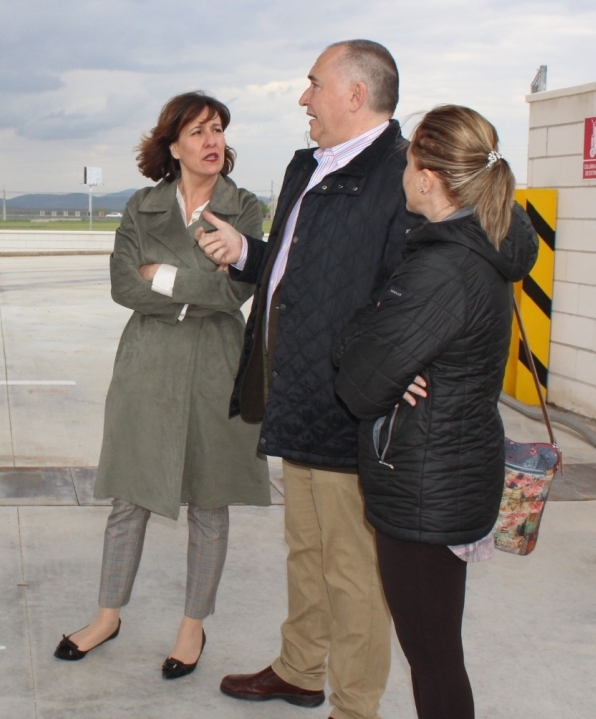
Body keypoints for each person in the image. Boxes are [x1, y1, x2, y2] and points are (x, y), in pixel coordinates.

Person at [198, 40, 417, 719]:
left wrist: (406, 364)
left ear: (355, 94)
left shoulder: (403, 174)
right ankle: (299, 669)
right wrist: (246, 253)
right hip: (297, 392)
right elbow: (301, 271)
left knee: (353, 569)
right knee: (306, 548)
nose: (303, 98)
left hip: (352, 405)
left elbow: (414, 289)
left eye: (314, 84)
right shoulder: (311, 166)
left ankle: (355, 705)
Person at [54, 91, 269, 680]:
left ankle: (192, 627)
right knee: (129, 498)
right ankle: (106, 617)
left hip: (216, 368)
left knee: (210, 502)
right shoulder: (141, 205)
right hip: (146, 367)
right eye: (198, 131)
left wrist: (165, 276)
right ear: (173, 145)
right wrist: (195, 285)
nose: (211, 141)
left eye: (218, 129)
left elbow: (237, 290)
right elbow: (123, 284)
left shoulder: (244, 207)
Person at [331, 105, 536, 719]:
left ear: (427, 178)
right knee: (436, 651)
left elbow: (359, 383)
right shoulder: (474, 247)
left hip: (427, 491)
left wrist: (365, 345)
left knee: (434, 658)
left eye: (408, 161)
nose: (402, 172)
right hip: (448, 474)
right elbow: (376, 356)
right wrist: (377, 349)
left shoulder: (444, 268)